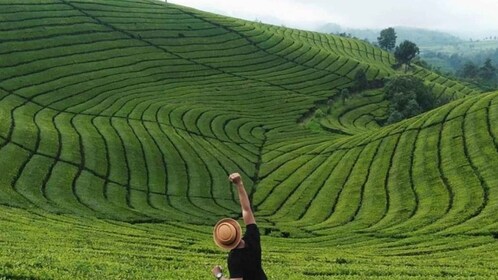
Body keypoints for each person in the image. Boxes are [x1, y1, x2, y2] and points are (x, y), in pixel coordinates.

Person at [211, 173, 267, 280]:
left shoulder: (234, 258)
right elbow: (246, 209)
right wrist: (239, 184)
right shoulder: (252, 237)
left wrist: (218, 275)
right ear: (237, 231)